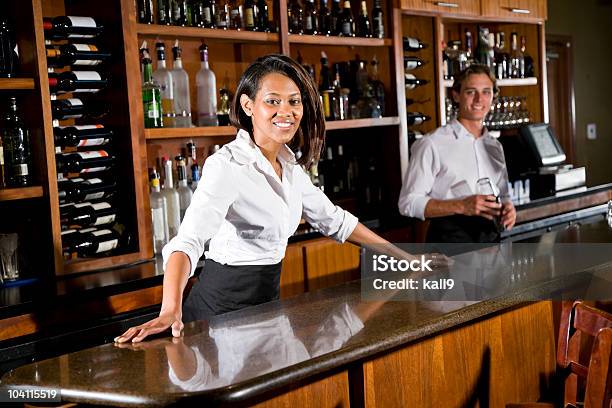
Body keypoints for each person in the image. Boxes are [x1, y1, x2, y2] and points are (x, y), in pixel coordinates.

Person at [117, 54, 439, 344]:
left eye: (293, 101)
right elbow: (187, 242)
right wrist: (170, 310)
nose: (286, 112)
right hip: (217, 316)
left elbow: (336, 221)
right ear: (248, 106)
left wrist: (406, 258)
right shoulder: (226, 166)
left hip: (267, 308)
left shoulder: (289, 165)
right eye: (273, 101)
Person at [398, 64, 516, 244]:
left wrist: (509, 209)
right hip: (449, 244)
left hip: (490, 242)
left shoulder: (495, 146)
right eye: (470, 92)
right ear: (456, 95)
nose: (479, 99)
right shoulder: (431, 144)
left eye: (486, 92)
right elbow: (407, 203)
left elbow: (504, 195)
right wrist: (461, 205)